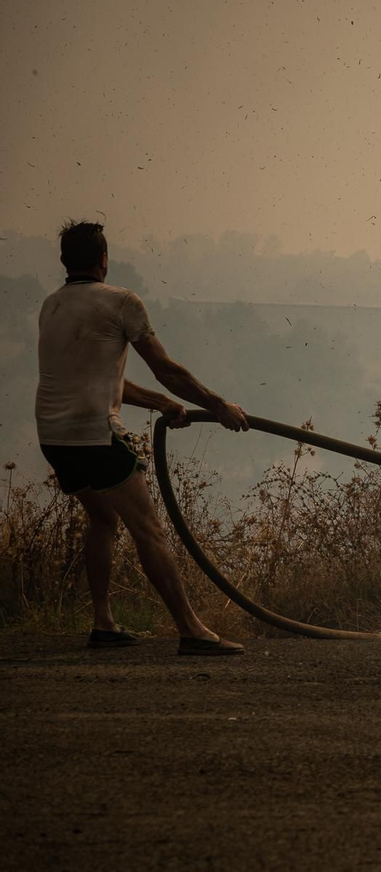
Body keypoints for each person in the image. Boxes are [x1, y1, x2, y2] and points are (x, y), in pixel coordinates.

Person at [35, 220, 250, 655]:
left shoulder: (52, 305)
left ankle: (104, 624)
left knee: (103, 520)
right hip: (96, 435)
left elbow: (99, 381)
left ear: (63, 261)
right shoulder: (121, 302)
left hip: (54, 436)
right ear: (104, 260)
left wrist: (161, 404)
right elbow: (166, 369)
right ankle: (191, 630)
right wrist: (218, 406)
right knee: (149, 528)